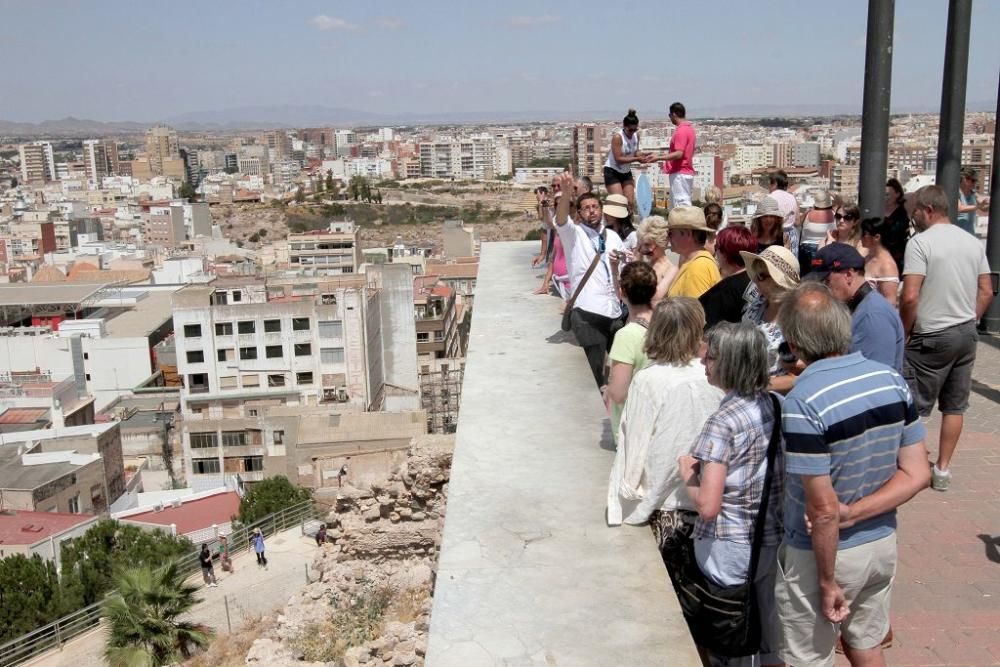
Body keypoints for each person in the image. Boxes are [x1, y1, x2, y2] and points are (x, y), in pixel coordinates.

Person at [775, 283, 930, 667]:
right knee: (867, 646)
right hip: (879, 544)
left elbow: (824, 510)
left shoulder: (803, 400)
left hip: (823, 554)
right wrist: (859, 512)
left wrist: (827, 581)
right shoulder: (890, 380)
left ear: (794, 344)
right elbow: (918, 472)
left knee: (808, 658)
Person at [678, 321, 783, 667]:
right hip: (767, 538)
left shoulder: (723, 422)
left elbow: (708, 506)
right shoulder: (775, 404)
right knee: (763, 630)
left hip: (728, 545)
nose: (703, 363)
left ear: (730, 363)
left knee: (727, 638)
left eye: (710, 358)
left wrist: (687, 475)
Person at [607, 297, 724, 566]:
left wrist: (623, 502)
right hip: (710, 501)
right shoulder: (713, 375)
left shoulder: (648, 380)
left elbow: (634, 445)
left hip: (664, 506)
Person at [900, 185, 994, 491]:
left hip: (931, 334)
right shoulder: (971, 242)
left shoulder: (919, 243)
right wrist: (972, 317)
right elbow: (986, 290)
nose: (912, 217)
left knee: (911, 405)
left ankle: (907, 466)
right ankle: (942, 469)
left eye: (914, 211)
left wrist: (905, 331)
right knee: (955, 406)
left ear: (927, 210)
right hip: (966, 331)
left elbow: (911, 296)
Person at [553, 171, 626, 387]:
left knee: (621, 369)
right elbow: (560, 220)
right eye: (586, 208)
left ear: (602, 210)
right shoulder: (574, 235)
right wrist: (566, 194)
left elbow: (623, 269)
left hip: (614, 311)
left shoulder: (612, 237)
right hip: (588, 312)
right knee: (594, 373)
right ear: (579, 213)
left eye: (595, 207)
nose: (591, 212)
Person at [809, 244, 904, 371]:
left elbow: (875, 379)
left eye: (826, 282)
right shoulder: (856, 307)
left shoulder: (873, 315)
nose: (822, 290)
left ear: (848, 275)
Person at [605, 261, 656, 446]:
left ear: (623, 292)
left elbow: (618, 394)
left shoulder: (626, 335)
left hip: (633, 432)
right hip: (659, 426)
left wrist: (608, 388)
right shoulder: (666, 323)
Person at [740, 246, 801, 393]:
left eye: (761, 276)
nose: (754, 280)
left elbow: (805, 373)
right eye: (755, 274)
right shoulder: (757, 304)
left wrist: (757, 386)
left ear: (778, 281)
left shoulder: (800, 317)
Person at [700, 226, 758, 329]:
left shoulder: (721, 293)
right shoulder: (761, 279)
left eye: (716, 247)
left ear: (725, 253)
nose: (715, 252)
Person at [647, 102, 696, 209]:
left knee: (681, 205)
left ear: (674, 114)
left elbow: (679, 153)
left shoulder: (681, 131)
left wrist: (658, 157)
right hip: (686, 171)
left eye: (669, 115)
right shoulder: (689, 129)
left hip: (680, 172)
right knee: (682, 203)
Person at [666, 206, 721, 299]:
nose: (668, 238)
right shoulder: (696, 262)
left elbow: (693, 312)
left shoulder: (697, 269)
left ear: (687, 234)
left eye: (670, 233)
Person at [603, 109, 647, 208]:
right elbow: (619, 159)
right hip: (612, 171)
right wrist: (636, 159)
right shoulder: (618, 137)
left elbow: (636, 151)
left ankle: (628, 222)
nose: (632, 132)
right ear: (624, 127)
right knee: (619, 203)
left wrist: (642, 155)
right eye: (630, 130)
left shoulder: (636, 136)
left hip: (626, 172)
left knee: (630, 202)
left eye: (635, 129)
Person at [636, 215, 678, 306]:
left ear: (661, 242)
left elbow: (653, 299)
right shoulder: (644, 265)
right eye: (643, 244)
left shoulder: (670, 269)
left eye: (648, 244)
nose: (647, 249)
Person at [860, 217, 900, 305]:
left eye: (864, 234)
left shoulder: (887, 266)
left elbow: (890, 302)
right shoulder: (866, 258)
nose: (861, 237)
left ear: (877, 237)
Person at [799, 190, 836, 273]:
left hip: (807, 250)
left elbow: (798, 224)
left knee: (807, 274)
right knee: (822, 273)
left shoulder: (808, 214)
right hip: (827, 249)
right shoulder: (834, 214)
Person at [768, 169, 800, 257]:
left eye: (770, 184)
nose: (768, 187)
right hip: (791, 235)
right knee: (791, 265)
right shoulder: (792, 198)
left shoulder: (769, 198)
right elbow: (797, 222)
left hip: (774, 236)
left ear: (774, 183)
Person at [883, 178, 910, 274]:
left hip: (896, 255)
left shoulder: (902, 213)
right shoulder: (878, 210)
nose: (885, 197)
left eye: (888, 195)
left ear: (897, 194)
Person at [957, 168, 989, 237]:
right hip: (957, 233)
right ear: (964, 179)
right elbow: (960, 208)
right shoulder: (956, 192)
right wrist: (978, 206)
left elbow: (983, 208)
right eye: (973, 180)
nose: (975, 183)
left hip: (970, 233)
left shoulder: (973, 193)